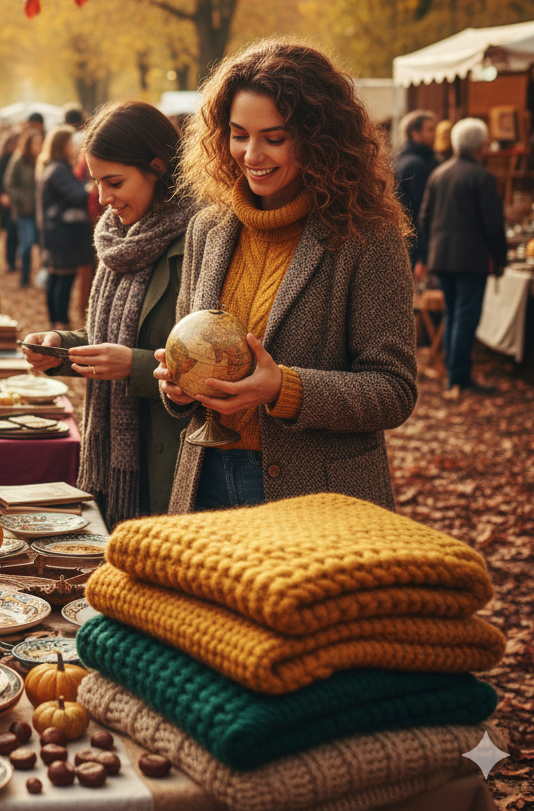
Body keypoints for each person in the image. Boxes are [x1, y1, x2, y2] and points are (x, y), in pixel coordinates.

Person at [155, 39, 417, 514]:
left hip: (318, 499)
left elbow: (393, 390)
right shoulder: (206, 229)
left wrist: (283, 388)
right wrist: (176, 385)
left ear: (320, 138)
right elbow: (187, 351)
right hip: (204, 481)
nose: (252, 154)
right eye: (238, 134)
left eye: (274, 138)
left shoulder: (367, 236)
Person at [23, 101, 194, 527]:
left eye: (114, 181)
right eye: (97, 182)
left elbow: (209, 355)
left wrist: (133, 366)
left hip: (168, 451)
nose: (102, 198)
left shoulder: (199, 237)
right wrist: (62, 347)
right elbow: (115, 333)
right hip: (117, 454)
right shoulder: (119, 237)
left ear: (157, 166)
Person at [419, 118, 506, 400]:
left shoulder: (439, 173)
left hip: (442, 257)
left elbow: (425, 218)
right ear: (480, 145)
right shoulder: (481, 177)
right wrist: (500, 258)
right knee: (464, 318)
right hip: (470, 260)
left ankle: (454, 374)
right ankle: (458, 377)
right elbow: (493, 224)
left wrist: (429, 253)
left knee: (454, 314)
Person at [37, 127, 93, 330]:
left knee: (56, 276)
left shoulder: (52, 168)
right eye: (71, 143)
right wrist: (89, 187)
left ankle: (56, 320)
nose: (74, 148)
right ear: (62, 146)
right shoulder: (59, 170)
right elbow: (78, 195)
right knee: (63, 277)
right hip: (64, 234)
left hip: (57, 232)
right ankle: (61, 321)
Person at [394, 109, 438, 271]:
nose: (434, 134)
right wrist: (423, 256)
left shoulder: (403, 159)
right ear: (415, 133)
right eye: (430, 130)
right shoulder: (416, 165)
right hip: (415, 247)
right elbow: (420, 211)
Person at [3, 127, 42, 286]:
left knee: (42, 247)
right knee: (26, 246)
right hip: (24, 212)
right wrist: (20, 201)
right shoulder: (18, 160)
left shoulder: (42, 160)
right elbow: (9, 184)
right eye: (35, 143)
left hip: (40, 211)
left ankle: (43, 279)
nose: (38, 146)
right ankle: (24, 277)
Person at [0, 130, 20, 271]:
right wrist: (2, 195)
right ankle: (10, 261)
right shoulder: (4, 159)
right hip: (7, 202)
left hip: (16, 202)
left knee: (16, 233)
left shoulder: (19, 158)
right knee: (10, 232)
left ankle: (15, 259)